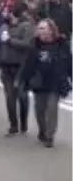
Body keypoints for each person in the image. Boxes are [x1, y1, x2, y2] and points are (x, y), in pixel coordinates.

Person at [19, 18, 73, 148]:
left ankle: (50, 136)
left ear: (51, 30)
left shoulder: (62, 44)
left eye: (43, 28)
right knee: (39, 110)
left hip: (55, 82)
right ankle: (42, 130)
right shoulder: (35, 45)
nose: (40, 31)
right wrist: (23, 80)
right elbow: (28, 65)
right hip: (39, 82)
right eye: (39, 28)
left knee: (52, 110)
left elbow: (70, 63)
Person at [0, 2, 35, 137]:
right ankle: (13, 125)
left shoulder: (27, 26)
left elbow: (28, 44)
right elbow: (0, 45)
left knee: (22, 96)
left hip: (21, 66)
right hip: (6, 66)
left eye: (10, 12)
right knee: (10, 97)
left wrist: (10, 41)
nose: (8, 14)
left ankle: (23, 122)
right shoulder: (3, 27)